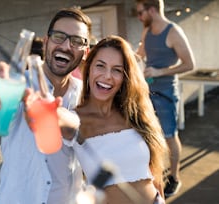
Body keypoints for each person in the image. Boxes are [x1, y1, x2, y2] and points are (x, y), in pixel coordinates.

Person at [0, 7, 92, 204]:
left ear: (85, 52)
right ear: (46, 42)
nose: (66, 46)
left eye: (77, 41)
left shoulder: (88, 96)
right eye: (59, 36)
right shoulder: (17, 85)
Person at [25, 35, 168, 203]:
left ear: (125, 77)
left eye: (117, 70)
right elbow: (56, 118)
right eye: (100, 66)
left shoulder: (135, 112)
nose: (107, 76)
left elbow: (154, 173)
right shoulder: (76, 119)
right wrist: (40, 104)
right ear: (89, 68)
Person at [135, 0, 195, 198]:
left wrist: (160, 71)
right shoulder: (147, 31)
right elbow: (140, 55)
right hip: (147, 92)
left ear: (152, 9)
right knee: (148, 134)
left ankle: (175, 177)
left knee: (169, 136)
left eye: (140, 12)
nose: (139, 17)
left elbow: (189, 64)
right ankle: (153, 175)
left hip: (166, 93)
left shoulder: (173, 32)